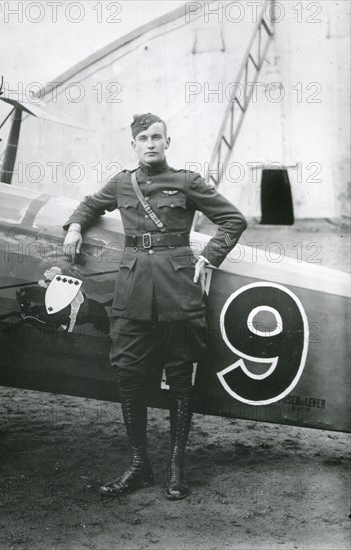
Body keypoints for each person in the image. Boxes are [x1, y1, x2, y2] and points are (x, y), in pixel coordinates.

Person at [63, 113, 247, 500]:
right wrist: (76, 226)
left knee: (180, 379)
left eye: (157, 137)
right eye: (143, 138)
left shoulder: (186, 182)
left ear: (168, 142)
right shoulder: (121, 183)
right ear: (134, 144)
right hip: (132, 295)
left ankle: (176, 468)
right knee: (129, 377)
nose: (150, 143)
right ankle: (138, 465)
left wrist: (210, 256)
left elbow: (233, 219)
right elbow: (89, 205)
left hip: (178, 293)